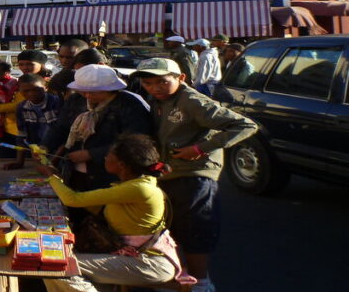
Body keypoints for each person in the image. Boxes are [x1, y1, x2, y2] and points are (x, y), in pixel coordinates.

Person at [133, 58, 259, 292]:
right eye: (148, 83)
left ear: (181, 78)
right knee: (173, 227)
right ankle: (180, 279)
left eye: (162, 81)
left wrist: (200, 148)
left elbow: (245, 126)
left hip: (195, 175)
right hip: (170, 173)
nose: (154, 87)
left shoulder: (192, 100)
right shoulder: (158, 99)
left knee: (196, 229)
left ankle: (201, 283)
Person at [40, 134, 183, 292]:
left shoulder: (139, 188)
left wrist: (51, 175)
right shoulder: (135, 185)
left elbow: (72, 199)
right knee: (62, 264)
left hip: (150, 264)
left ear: (121, 165)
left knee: (56, 266)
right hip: (133, 257)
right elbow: (94, 206)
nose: (105, 158)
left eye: (109, 155)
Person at [42, 64, 153, 191]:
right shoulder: (76, 100)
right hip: (73, 171)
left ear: (110, 89)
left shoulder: (130, 105)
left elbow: (135, 142)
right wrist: (45, 146)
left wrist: (92, 154)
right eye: (83, 91)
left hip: (111, 174)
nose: (87, 95)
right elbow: (61, 127)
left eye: (93, 92)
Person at [15, 73, 61, 160]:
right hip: (37, 152)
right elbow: (22, 134)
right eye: (26, 91)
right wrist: (19, 162)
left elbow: (64, 132)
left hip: (58, 152)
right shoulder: (21, 108)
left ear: (45, 88)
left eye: (36, 90)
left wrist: (55, 159)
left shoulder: (57, 103)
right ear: (19, 91)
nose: (31, 93)